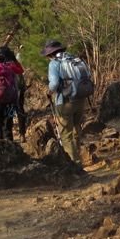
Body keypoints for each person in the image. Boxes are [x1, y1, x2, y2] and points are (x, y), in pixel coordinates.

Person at [41, 39, 86, 167]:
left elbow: (54, 83)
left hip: (65, 101)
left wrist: (50, 91)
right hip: (81, 98)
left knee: (66, 136)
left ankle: (76, 165)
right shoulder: (74, 59)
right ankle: (78, 156)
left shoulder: (54, 63)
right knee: (76, 130)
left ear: (50, 54)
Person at [0, 45, 27, 142]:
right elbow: (21, 70)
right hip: (18, 92)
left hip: (4, 94)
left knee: (6, 115)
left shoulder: (0, 65)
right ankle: (22, 134)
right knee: (19, 111)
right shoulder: (13, 64)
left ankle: (6, 138)